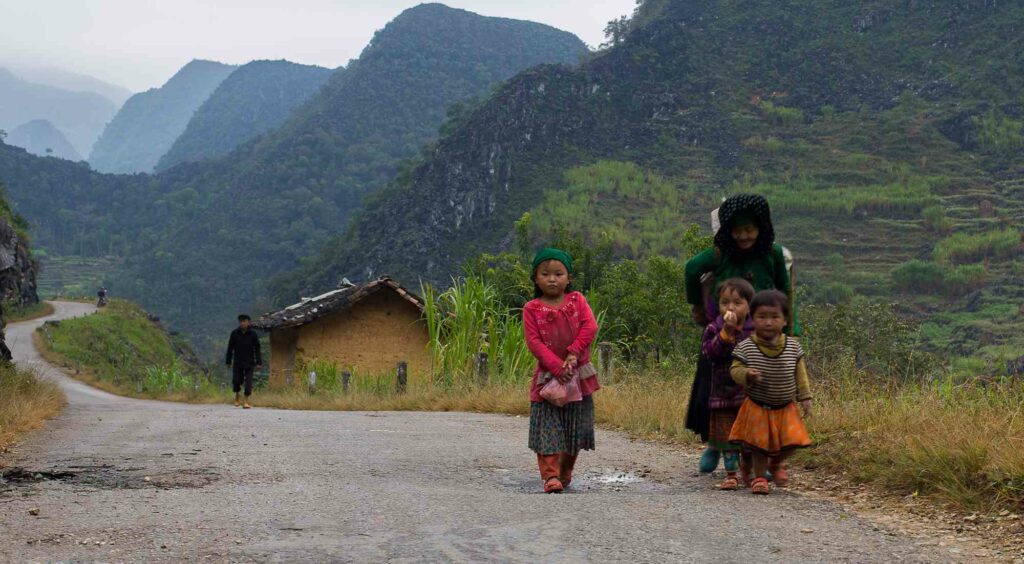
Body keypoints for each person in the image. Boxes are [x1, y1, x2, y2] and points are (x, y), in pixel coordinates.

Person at [683, 193, 794, 474]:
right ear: (728, 231)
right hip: (722, 332)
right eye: (737, 230)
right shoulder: (720, 254)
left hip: (761, 336)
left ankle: (757, 456)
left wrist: (790, 333)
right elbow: (691, 268)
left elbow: (785, 293)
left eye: (749, 230)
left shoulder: (773, 255)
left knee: (758, 396)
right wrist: (697, 305)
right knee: (715, 390)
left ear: (761, 228)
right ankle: (714, 445)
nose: (744, 236)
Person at [523, 248, 600, 493]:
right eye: (545, 274)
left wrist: (572, 354)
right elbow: (534, 342)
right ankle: (550, 477)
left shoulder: (578, 301)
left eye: (558, 273)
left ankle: (565, 474)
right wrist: (557, 367)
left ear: (569, 278)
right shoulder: (532, 308)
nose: (552, 279)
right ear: (536, 278)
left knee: (573, 428)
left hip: (578, 375)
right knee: (548, 427)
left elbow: (590, 326)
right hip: (548, 379)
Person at [728, 290, 812, 495]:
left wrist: (805, 398)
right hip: (758, 405)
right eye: (762, 317)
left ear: (784, 320)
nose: (768, 322)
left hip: (785, 406)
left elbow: (800, 375)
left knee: (794, 441)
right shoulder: (746, 347)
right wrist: (746, 374)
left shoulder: (793, 346)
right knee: (759, 445)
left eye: (774, 317)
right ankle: (759, 477)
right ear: (752, 319)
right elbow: (734, 370)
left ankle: (775, 463)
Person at [701, 278, 755, 490]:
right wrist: (726, 333)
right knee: (727, 437)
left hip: (748, 394)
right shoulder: (714, 328)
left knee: (750, 435)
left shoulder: (754, 331)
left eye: (737, 303)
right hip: (722, 394)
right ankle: (731, 474)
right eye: (725, 303)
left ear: (749, 305)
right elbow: (710, 354)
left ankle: (753, 472)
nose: (730, 308)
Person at [226, 314, 262, 409]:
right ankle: (237, 396)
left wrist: (259, 362)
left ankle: (246, 401)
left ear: (248, 322)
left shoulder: (253, 334)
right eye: (241, 321)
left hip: (250, 362)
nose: (242, 323)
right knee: (237, 381)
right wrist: (228, 361)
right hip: (238, 362)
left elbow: (257, 349)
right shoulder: (234, 333)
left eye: (244, 321)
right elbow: (230, 348)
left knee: (248, 382)